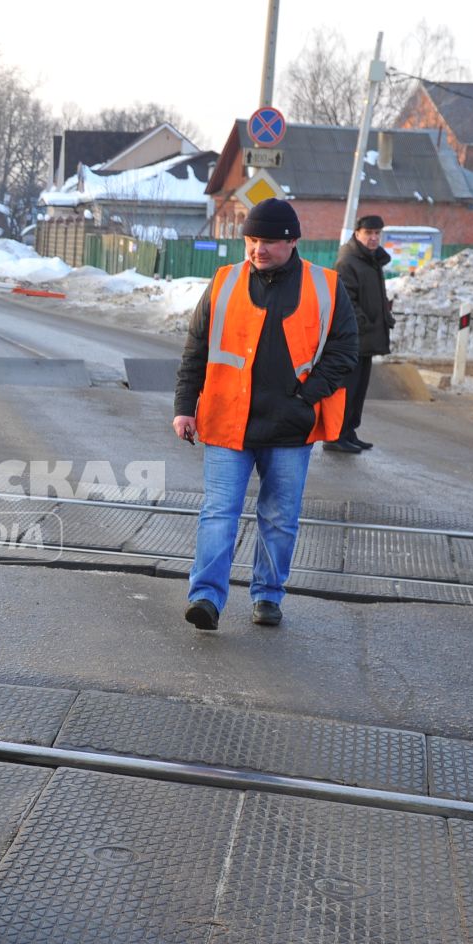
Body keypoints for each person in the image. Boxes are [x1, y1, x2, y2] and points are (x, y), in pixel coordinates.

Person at [172, 197, 357, 631]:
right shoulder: (223, 281)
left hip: (290, 425)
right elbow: (196, 348)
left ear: (293, 242)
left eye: (270, 241)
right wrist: (184, 407)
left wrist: (308, 395)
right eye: (252, 240)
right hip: (226, 421)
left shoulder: (325, 286)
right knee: (219, 512)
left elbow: (346, 348)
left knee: (279, 517)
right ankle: (205, 598)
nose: (258, 249)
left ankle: (268, 595)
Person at [329, 214, 393, 453]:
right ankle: (335, 435)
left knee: (358, 390)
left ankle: (348, 431)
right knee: (346, 389)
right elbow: (346, 300)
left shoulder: (370, 261)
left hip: (366, 338)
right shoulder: (348, 261)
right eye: (369, 233)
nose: (374, 238)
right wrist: (363, 324)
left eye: (377, 233)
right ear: (357, 234)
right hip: (353, 338)